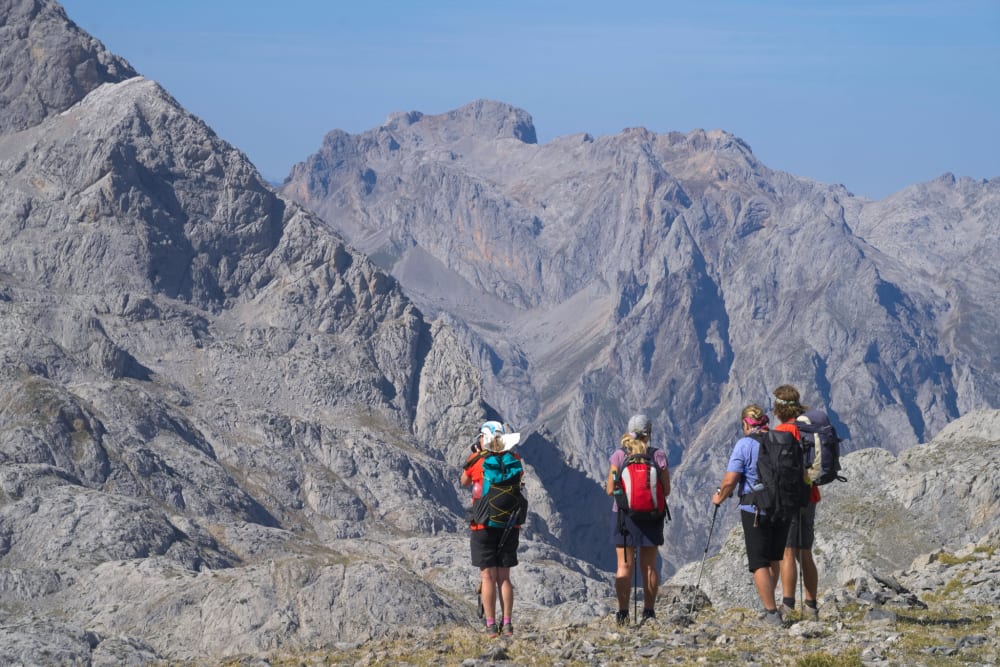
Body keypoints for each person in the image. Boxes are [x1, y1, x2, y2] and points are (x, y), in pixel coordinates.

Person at [711, 404, 789, 625]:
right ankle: (771, 608)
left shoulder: (744, 445)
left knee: (758, 562)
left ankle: (772, 613)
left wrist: (719, 497)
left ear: (746, 424)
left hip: (755, 509)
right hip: (782, 507)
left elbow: (730, 480)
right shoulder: (781, 439)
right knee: (774, 557)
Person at [606, 414, 670, 627]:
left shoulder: (619, 456)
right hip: (652, 516)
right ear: (649, 433)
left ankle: (623, 614)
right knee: (649, 566)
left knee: (624, 566)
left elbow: (609, 490)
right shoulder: (658, 456)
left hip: (624, 516)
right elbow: (666, 490)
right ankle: (649, 613)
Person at [460, 421, 524, 638]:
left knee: (487, 577)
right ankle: (507, 625)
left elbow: (464, 481)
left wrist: (478, 453)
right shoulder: (514, 461)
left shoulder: (477, 461)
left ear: (484, 439)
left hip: (483, 525)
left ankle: (490, 626)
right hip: (509, 525)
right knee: (504, 577)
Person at [773, 384, 820, 621]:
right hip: (810, 495)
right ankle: (811, 606)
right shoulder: (808, 430)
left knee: (787, 552)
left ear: (778, 408)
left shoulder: (780, 432)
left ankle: (788, 605)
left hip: (788, 499)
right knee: (805, 552)